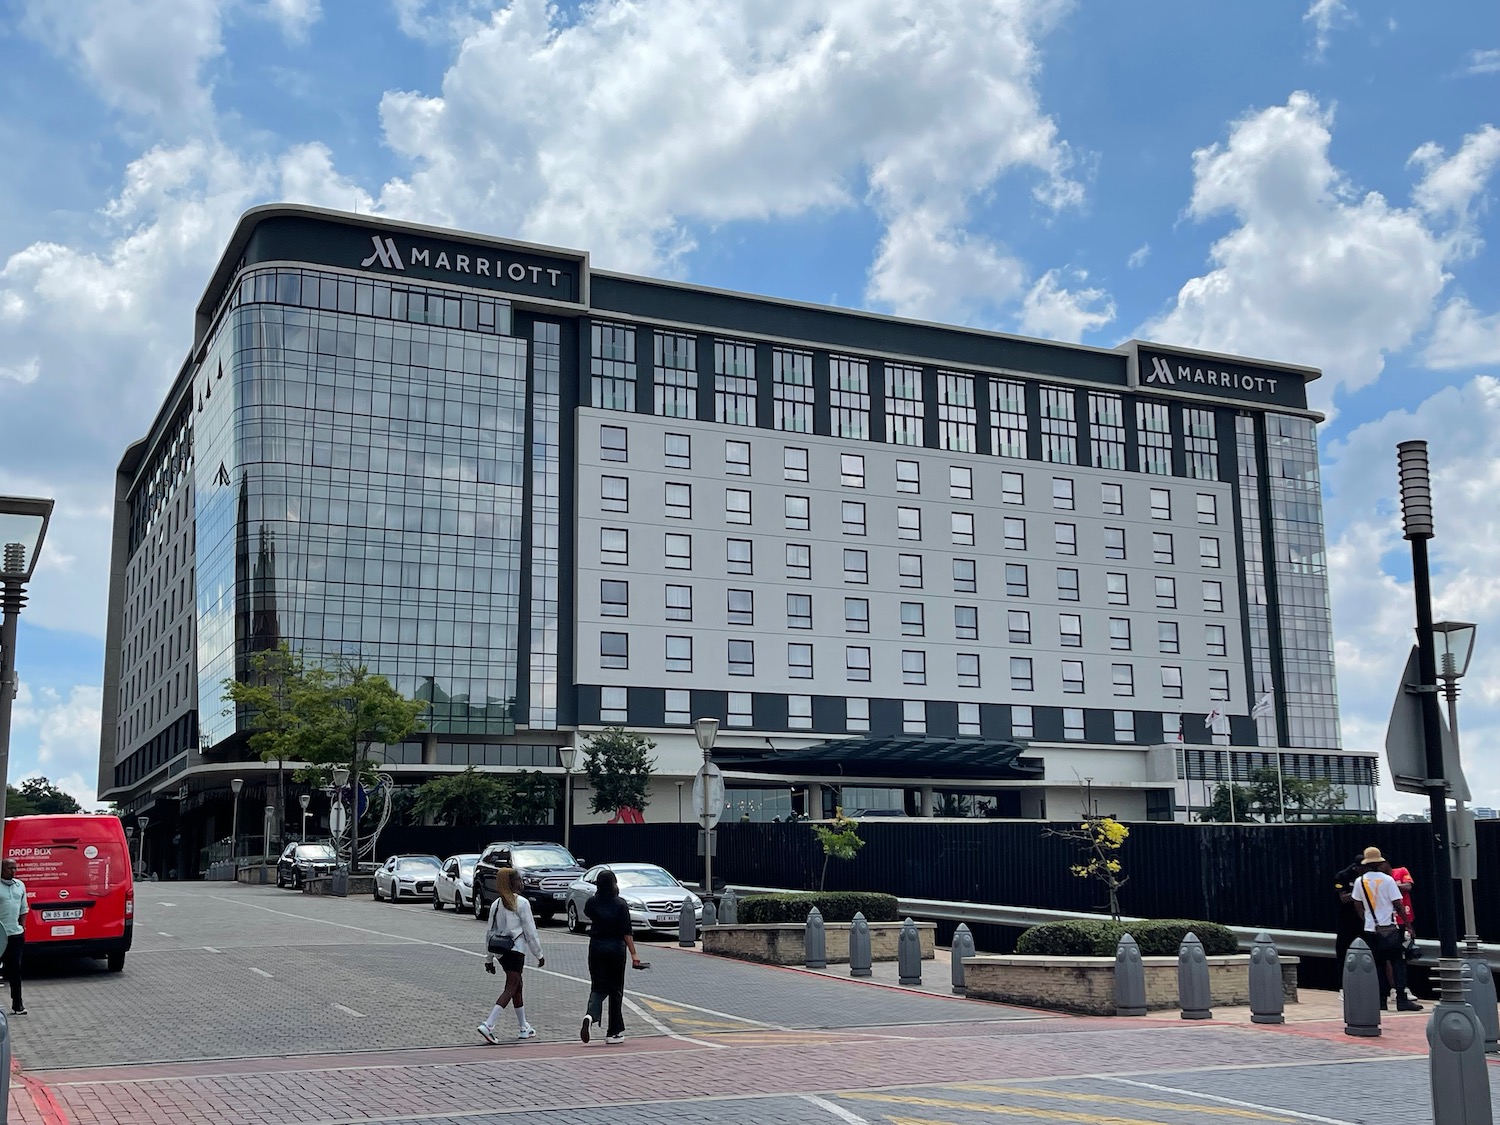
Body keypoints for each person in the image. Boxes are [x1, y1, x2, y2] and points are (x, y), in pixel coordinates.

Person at [477, 867, 544, 1044]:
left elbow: (489, 932)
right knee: (511, 987)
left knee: (517, 986)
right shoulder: (521, 903)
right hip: (516, 951)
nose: (521, 883)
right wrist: (539, 954)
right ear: (510, 883)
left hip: (501, 953)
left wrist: (489, 958)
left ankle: (524, 1027)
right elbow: (530, 932)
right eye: (518, 880)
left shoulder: (496, 904)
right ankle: (489, 1024)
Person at [1353, 847, 1422, 1012]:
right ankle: (1401, 999)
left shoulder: (1360, 881)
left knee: (1378, 964)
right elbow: (1398, 904)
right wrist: (1409, 926)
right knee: (1398, 963)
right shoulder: (1388, 880)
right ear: (1380, 863)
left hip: (1371, 929)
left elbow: (1357, 904)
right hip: (1390, 928)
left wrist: (1367, 919)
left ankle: (1381, 1000)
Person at [580, 868, 645, 1045]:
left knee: (598, 986)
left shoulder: (592, 903)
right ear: (614, 883)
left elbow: (588, 914)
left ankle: (590, 1015)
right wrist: (634, 953)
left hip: (596, 947)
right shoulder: (620, 904)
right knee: (616, 990)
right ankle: (613, 1032)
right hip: (616, 948)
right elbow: (626, 931)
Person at [0, 858, 28, 1015]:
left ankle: (18, 1005)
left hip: (15, 935)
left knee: (15, 969)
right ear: (3, 869)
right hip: (0, 936)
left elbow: (24, 908)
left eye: (15, 868)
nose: (13, 871)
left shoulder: (20, 886)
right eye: (10, 868)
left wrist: (22, 926)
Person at [1333, 851, 1368, 967]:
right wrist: (1360, 893)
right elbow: (1343, 898)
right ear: (1356, 866)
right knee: (1343, 949)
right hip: (1347, 918)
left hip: (1365, 918)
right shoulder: (1343, 876)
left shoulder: (1369, 876)